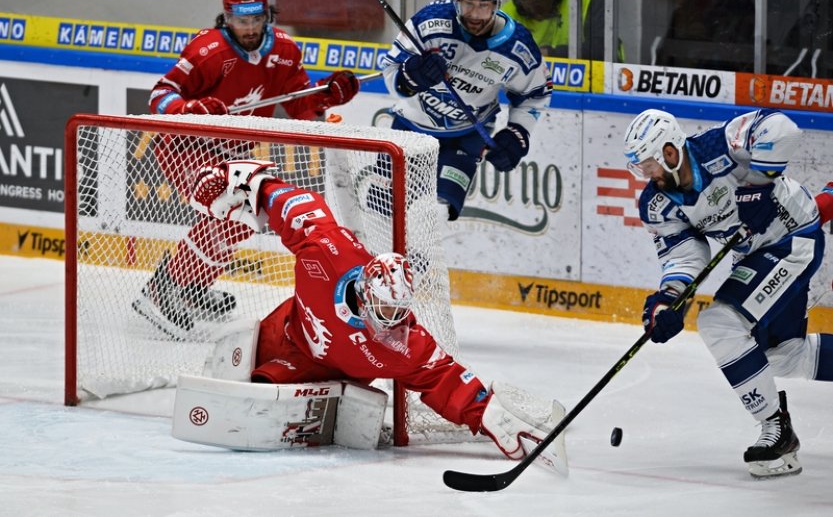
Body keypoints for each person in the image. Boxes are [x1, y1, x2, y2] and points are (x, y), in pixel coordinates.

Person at [186, 158, 569, 462]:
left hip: (319, 375)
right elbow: (294, 203)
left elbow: (446, 378)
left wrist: (488, 416)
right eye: (384, 307)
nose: (392, 320)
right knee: (226, 372)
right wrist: (240, 179)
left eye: (398, 310)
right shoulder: (330, 252)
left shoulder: (406, 343)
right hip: (284, 332)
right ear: (366, 293)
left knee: (259, 408)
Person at [133, 0, 360, 335]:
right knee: (230, 207)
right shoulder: (207, 51)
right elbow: (160, 95)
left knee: (244, 218)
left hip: (236, 150)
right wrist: (189, 108)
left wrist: (327, 96)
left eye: (256, 17)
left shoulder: (283, 50)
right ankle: (164, 292)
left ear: (267, 15)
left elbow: (301, 107)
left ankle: (190, 288)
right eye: (241, 19)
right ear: (227, 18)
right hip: (187, 147)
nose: (250, 27)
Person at [623, 108, 833, 478]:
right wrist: (668, 299)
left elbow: (781, 128)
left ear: (670, 152)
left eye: (649, 165)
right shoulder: (657, 204)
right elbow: (684, 255)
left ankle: (776, 429)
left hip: (792, 236)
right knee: (784, 356)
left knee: (720, 322)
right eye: (640, 168)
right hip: (756, 254)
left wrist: (758, 183)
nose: (647, 175)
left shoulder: (720, 145)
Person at [380, 0, 552, 221]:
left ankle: (417, 263)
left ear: (497, 3)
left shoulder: (518, 47)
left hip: (465, 137)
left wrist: (518, 133)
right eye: (467, 4)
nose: (474, 14)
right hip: (409, 128)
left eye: (484, 6)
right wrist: (410, 76)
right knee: (382, 209)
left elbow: (535, 95)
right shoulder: (430, 22)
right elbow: (391, 69)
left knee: (436, 213)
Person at [501, 0, 622, 61]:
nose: (529, 5)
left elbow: (605, 50)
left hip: (591, 82)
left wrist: (551, 53)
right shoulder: (508, 14)